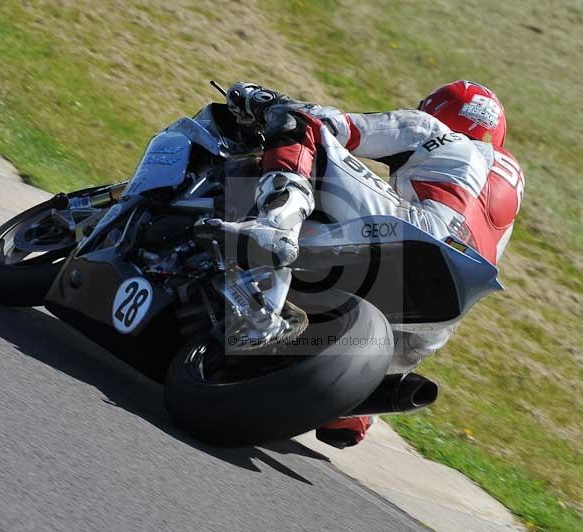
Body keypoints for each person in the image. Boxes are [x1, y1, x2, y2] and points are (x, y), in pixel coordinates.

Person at [201, 80, 525, 448]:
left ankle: (274, 227)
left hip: (416, 236)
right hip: (442, 310)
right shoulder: (510, 191)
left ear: (438, 111)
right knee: (344, 410)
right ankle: (351, 405)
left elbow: (337, 126)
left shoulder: (434, 131)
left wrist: (265, 102)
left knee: (298, 123)